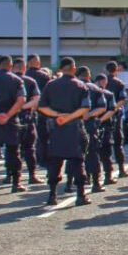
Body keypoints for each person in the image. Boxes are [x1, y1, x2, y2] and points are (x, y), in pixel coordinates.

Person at [38, 57, 93, 206]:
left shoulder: (51, 85)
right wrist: (70, 117)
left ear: (61, 69)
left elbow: (42, 107)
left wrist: (58, 115)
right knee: (78, 161)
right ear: (74, 69)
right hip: (75, 127)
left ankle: (52, 195)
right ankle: (80, 196)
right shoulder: (81, 86)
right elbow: (85, 107)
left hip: (56, 128)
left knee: (55, 162)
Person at [0, 57, 27, 195]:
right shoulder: (17, 80)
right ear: (11, 66)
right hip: (11, 121)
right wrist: (8, 115)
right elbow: (21, 100)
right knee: (13, 152)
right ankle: (15, 183)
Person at [75, 67, 109, 194]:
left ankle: (70, 183)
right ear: (89, 76)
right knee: (92, 153)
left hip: (72, 124)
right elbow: (102, 107)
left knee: (73, 154)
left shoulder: (74, 86)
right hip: (90, 124)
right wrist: (89, 114)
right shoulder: (95, 88)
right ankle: (95, 182)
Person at [24, 55, 54, 180]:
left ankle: (12, 174)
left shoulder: (22, 76)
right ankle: (45, 165)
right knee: (44, 139)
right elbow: (49, 94)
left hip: (22, 112)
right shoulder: (43, 76)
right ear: (36, 62)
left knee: (22, 144)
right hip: (42, 111)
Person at [13, 58, 42, 184]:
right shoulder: (30, 81)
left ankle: (13, 177)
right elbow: (36, 99)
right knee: (29, 148)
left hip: (9, 118)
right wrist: (24, 106)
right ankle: (32, 175)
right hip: (26, 117)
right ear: (24, 67)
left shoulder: (9, 80)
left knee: (12, 149)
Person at [104, 61, 128, 179]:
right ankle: (121, 169)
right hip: (116, 116)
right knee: (118, 144)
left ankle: (105, 173)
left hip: (102, 116)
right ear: (116, 70)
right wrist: (113, 109)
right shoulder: (119, 83)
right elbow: (122, 99)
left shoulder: (100, 81)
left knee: (103, 145)